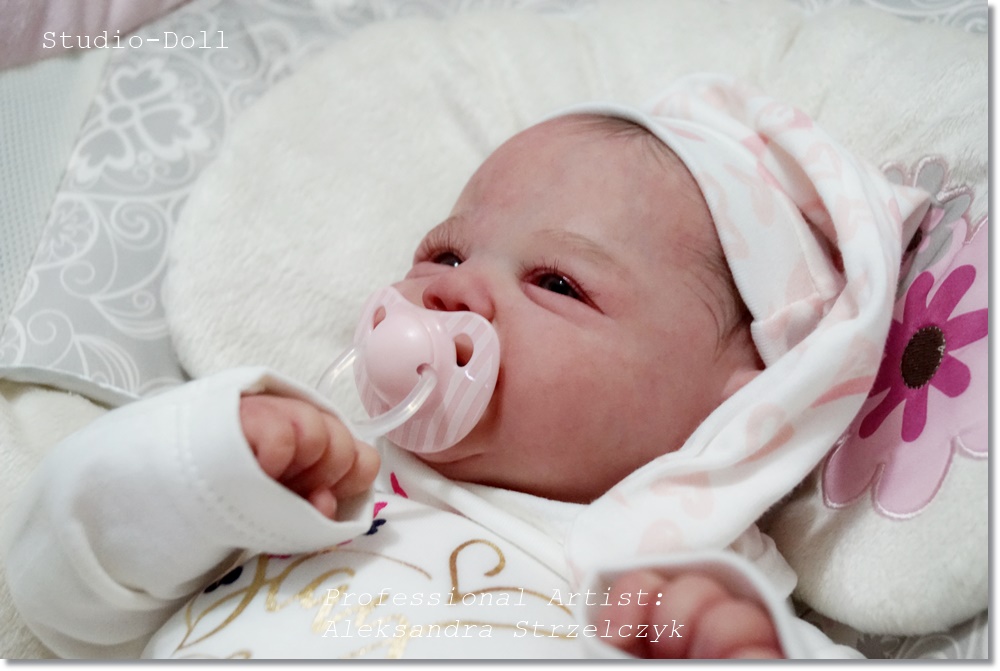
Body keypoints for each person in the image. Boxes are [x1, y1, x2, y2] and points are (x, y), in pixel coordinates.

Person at [1, 73, 928, 660]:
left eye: (556, 282)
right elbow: (62, 610)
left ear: (745, 404)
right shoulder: (299, 478)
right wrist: (197, 466)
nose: (452, 288)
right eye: (445, 252)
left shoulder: (674, 595)